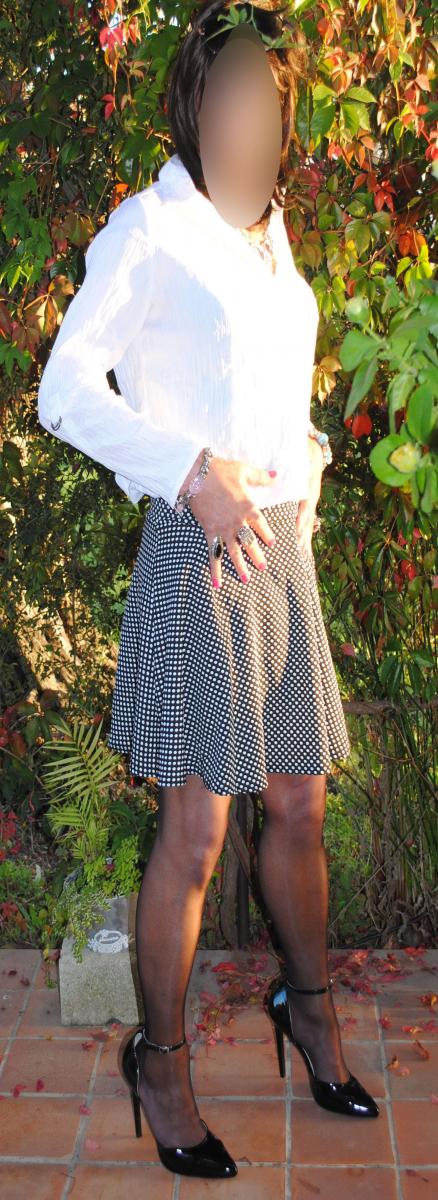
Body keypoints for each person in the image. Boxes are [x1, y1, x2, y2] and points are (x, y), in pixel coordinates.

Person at [37, 0, 379, 1182]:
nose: (252, 120)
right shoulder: (151, 229)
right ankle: (162, 1063)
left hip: (282, 552)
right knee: (197, 830)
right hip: (199, 552)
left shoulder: (269, 236)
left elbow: (273, 392)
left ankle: (309, 1011)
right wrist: (190, 470)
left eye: (269, 102)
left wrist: (305, 471)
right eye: (231, 96)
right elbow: (65, 390)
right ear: (192, 104)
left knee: (301, 805)